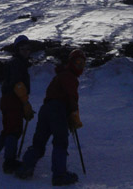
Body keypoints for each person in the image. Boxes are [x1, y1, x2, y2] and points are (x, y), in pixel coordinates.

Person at [15, 49, 86, 186]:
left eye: (82, 63)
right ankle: (59, 175)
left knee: (39, 142)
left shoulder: (59, 75)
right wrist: (74, 114)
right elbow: (72, 97)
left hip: (46, 109)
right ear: (71, 62)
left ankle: (25, 168)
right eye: (77, 62)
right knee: (60, 142)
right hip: (58, 110)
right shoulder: (69, 76)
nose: (80, 66)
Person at [0, 35, 35, 173]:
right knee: (13, 131)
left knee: (8, 131)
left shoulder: (17, 62)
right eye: (23, 49)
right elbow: (17, 84)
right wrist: (25, 103)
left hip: (9, 99)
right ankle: (9, 162)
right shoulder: (17, 63)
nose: (26, 51)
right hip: (13, 99)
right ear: (17, 49)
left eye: (28, 49)